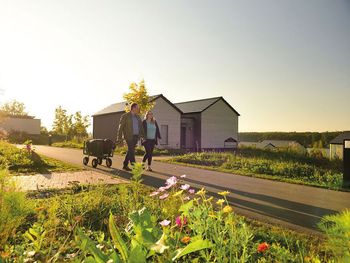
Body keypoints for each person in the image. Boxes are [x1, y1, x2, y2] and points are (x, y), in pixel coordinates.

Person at [116, 102, 144, 171]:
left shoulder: (138, 117)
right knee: (132, 150)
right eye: (137, 108)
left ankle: (125, 165)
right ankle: (134, 166)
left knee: (130, 150)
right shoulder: (125, 116)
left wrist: (143, 136)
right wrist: (119, 138)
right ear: (133, 108)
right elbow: (121, 127)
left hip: (136, 136)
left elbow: (141, 127)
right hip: (128, 136)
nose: (138, 109)